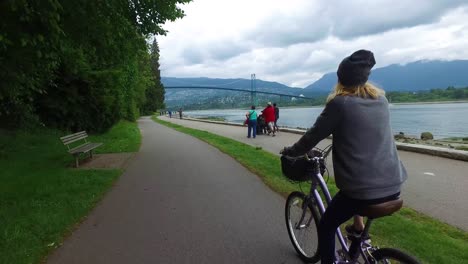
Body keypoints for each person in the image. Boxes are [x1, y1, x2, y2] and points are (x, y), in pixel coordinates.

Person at [281, 50, 407, 264]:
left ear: (340, 79)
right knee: (351, 195)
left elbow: (312, 137)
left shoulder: (339, 104)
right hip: (394, 185)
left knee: (328, 225)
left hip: (362, 190)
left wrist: (291, 152)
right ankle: (358, 231)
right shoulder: (381, 100)